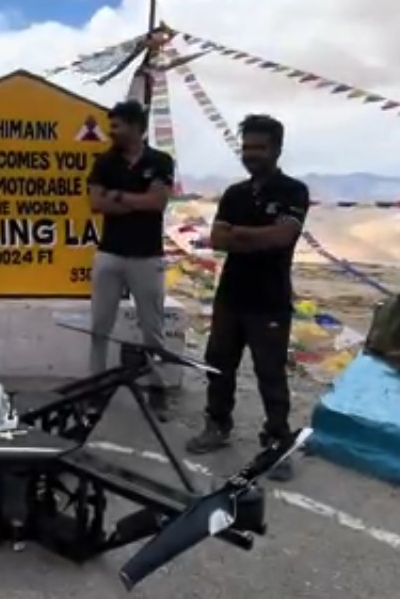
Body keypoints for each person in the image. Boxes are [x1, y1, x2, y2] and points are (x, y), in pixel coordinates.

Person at [185, 114, 310, 482]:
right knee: (218, 363)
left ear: (277, 149)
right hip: (231, 295)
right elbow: (218, 240)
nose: (251, 154)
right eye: (247, 147)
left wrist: (239, 234)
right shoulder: (235, 194)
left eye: (259, 147)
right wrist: (257, 235)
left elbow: (282, 238)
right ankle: (217, 424)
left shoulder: (294, 191)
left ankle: (276, 442)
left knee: (270, 373)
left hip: (269, 299)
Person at [86, 100, 175, 422]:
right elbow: (96, 204)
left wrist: (119, 196)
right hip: (110, 253)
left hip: (147, 257)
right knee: (99, 326)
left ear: (136, 126)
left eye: (117, 126)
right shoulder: (104, 163)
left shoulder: (160, 161)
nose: (111, 131)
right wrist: (136, 200)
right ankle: (94, 389)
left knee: (153, 328)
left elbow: (157, 203)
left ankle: (157, 388)